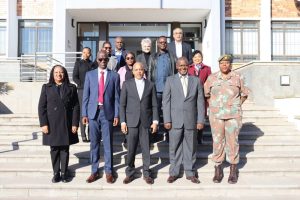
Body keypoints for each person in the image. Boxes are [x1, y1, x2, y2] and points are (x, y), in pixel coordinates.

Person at [204, 54, 250, 184]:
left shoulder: (238, 77)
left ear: (230, 64)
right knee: (217, 141)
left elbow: (244, 94)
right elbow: (207, 94)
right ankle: (218, 169)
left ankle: (233, 170)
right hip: (216, 115)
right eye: (222, 63)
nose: (225, 65)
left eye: (227, 63)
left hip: (233, 116)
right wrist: (215, 106)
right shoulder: (212, 78)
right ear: (219, 64)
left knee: (232, 142)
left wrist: (236, 105)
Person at [163, 57, 205, 184]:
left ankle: (190, 172)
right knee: (174, 147)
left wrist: (200, 120)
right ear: (176, 67)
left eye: (185, 65)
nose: (183, 68)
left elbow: (200, 102)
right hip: (174, 120)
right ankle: (174, 172)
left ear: (189, 66)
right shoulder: (170, 80)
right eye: (180, 65)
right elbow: (166, 101)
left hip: (191, 120)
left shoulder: (196, 81)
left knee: (190, 147)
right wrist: (167, 119)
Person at [82, 50, 120, 184]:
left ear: (108, 60)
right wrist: (84, 114)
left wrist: (116, 114)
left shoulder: (114, 76)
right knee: (94, 144)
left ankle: (109, 171)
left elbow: (116, 97)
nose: (103, 61)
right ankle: (94, 171)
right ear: (96, 60)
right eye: (100, 59)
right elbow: (85, 96)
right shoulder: (89, 75)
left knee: (108, 144)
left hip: (107, 113)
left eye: (105, 59)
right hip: (93, 113)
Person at [38, 65, 79, 183]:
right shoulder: (46, 87)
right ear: (52, 74)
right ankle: (56, 172)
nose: (58, 74)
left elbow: (76, 106)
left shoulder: (72, 87)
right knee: (54, 148)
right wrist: (43, 124)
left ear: (65, 73)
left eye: (61, 72)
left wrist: (75, 123)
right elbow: (41, 107)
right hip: (52, 123)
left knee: (65, 149)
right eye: (56, 72)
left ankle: (64, 173)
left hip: (66, 122)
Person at [120, 62, 158, 185]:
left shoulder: (150, 85)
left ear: (144, 71)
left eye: (141, 69)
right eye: (136, 69)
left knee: (146, 149)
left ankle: (147, 173)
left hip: (146, 122)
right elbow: (122, 105)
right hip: (131, 122)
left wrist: (155, 121)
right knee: (131, 149)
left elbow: (154, 105)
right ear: (133, 71)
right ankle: (130, 173)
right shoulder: (127, 84)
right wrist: (123, 122)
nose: (139, 72)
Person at [148, 36, 176, 141]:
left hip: (169, 90)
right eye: (161, 42)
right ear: (158, 44)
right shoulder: (153, 57)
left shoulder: (172, 56)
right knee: (155, 112)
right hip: (156, 89)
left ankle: (168, 134)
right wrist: (150, 89)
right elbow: (150, 73)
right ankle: (155, 134)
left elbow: (175, 73)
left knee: (169, 112)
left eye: (164, 42)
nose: (163, 44)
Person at [188, 50, 212, 144]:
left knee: (201, 116)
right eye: (195, 57)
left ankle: (200, 137)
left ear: (202, 58)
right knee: (192, 115)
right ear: (192, 59)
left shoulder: (207, 68)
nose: (197, 58)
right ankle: (193, 136)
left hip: (202, 95)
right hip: (191, 96)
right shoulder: (189, 68)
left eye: (199, 57)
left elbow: (210, 81)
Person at [73, 47, 95, 142]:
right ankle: (83, 135)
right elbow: (74, 77)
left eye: (88, 53)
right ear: (82, 53)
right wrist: (82, 85)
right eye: (84, 52)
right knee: (83, 112)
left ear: (90, 54)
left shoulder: (93, 64)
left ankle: (90, 134)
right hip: (81, 90)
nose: (86, 54)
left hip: (92, 91)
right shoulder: (78, 63)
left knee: (91, 112)